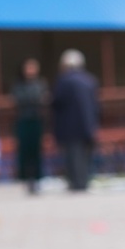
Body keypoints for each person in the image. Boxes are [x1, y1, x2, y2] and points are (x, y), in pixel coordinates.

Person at [51, 49, 99, 192]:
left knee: (73, 156)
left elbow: (56, 102)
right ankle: (84, 181)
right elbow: (96, 105)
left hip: (70, 126)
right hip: (89, 124)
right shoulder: (90, 80)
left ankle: (76, 183)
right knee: (86, 156)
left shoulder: (64, 81)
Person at [12, 58, 47, 194]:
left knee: (36, 151)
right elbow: (20, 99)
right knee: (24, 151)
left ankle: (38, 179)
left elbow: (42, 98)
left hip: (36, 120)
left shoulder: (40, 83)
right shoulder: (19, 84)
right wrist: (35, 99)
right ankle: (24, 179)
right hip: (23, 120)